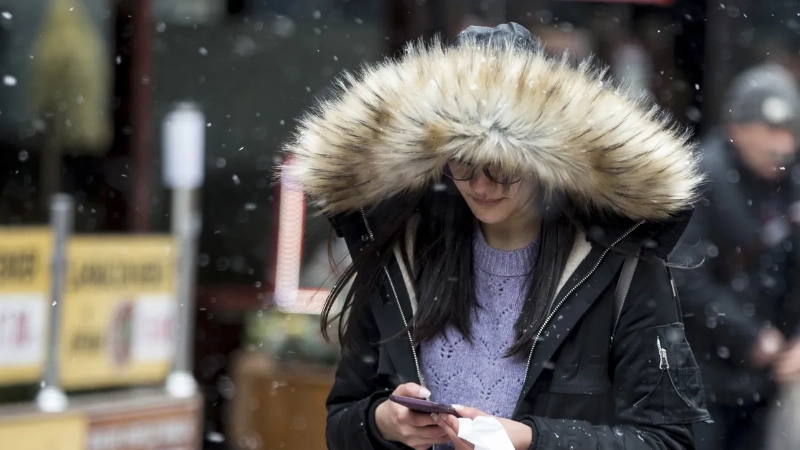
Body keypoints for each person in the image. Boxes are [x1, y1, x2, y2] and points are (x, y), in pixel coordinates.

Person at [282, 23, 711, 450]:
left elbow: (667, 440)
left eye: (501, 164)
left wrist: (530, 441)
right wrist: (385, 423)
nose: (480, 185)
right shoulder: (402, 251)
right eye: (462, 161)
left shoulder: (619, 262)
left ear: (545, 156)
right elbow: (342, 422)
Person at [673, 62, 800, 450]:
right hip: (701, 373)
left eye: (789, 131)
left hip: (767, 379)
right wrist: (749, 336)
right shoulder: (700, 174)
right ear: (737, 129)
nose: (782, 144)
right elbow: (684, 274)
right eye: (770, 130)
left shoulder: (792, 179)